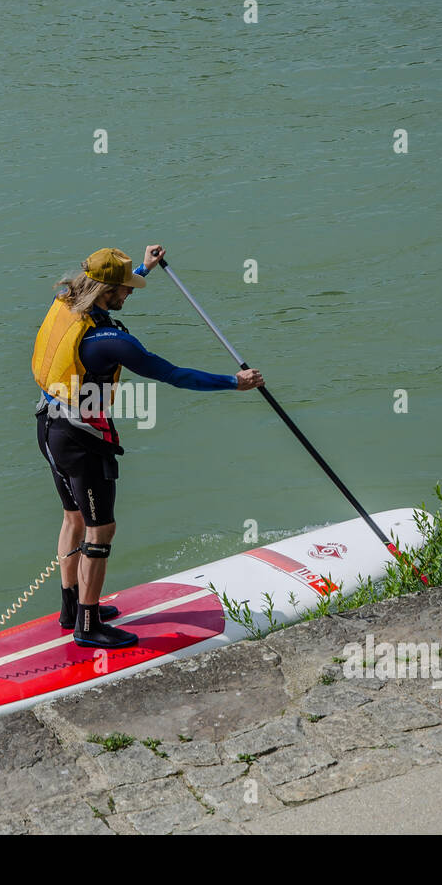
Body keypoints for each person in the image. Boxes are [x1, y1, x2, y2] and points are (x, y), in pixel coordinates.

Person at [31, 245, 264, 649]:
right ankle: (88, 627)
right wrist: (233, 382)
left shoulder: (67, 301)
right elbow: (172, 374)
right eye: (126, 288)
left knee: (74, 519)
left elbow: (107, 288)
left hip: (49, 425)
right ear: (106, 290)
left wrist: (144, 267)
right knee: (101, 530)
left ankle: (71, 607)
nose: (131, 293)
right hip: (82, 441)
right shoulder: (112, 342)